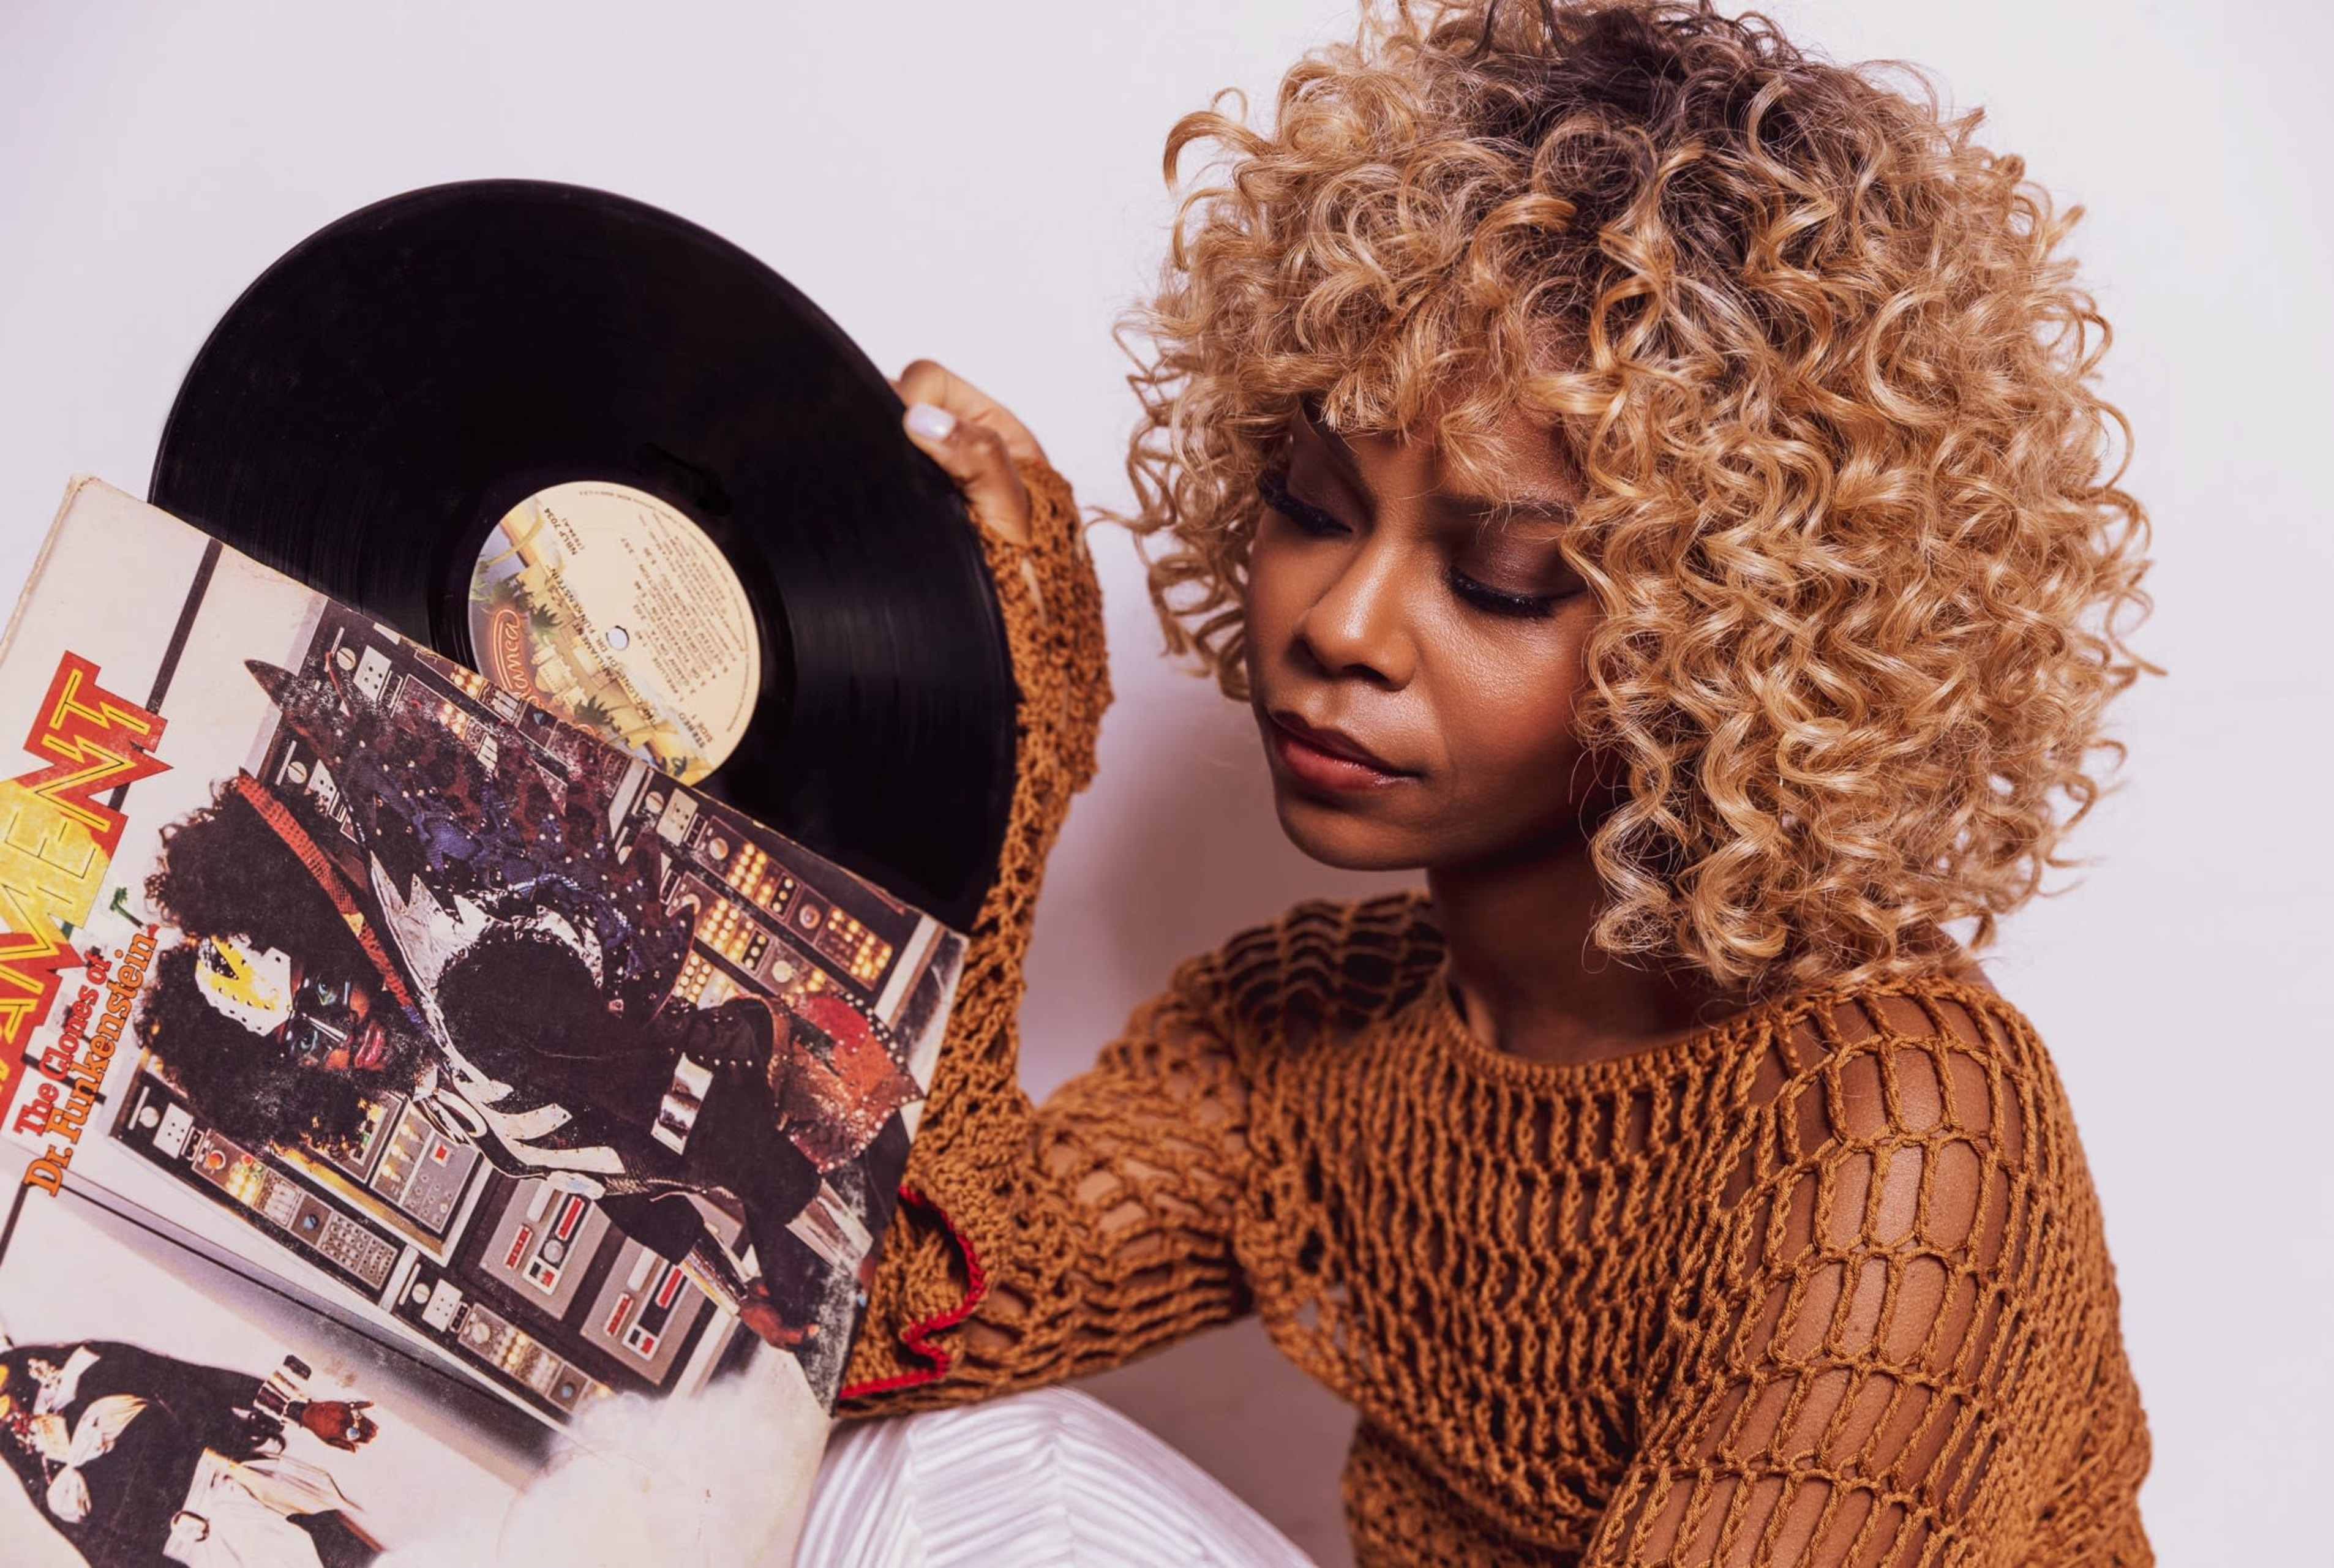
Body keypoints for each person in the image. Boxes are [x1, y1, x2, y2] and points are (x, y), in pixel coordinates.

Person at [828, 2, 2156, 1562]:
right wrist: (1001, 769)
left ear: (1733, 636)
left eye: (1504, 573)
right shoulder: (1320, 1022)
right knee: (921, 1465)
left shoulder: (1895, 1127)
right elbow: (882, 1341)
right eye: (1311, 503)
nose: (1338, 623)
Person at [133, 658, 919, 1357]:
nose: (344, 1033)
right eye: (307, 1038)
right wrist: (734, 1290)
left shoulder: (474, 1001)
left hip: (802, 1116)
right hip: (765, 1175)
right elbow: (606, 1175)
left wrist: (855, 1253)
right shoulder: (434, 1076)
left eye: (328, 995)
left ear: (335, 943)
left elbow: (682, 1111)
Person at [0, 1338, 379, 1566]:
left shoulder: (85, 1366)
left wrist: (299, 1411)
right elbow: (104, 1555)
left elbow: (196, 1380)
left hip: (249, 1497)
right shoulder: (28, 1462)